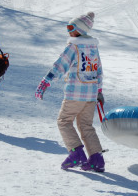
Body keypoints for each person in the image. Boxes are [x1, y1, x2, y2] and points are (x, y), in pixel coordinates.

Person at [35, 12, 106, 172]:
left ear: (80, 30)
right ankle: (96, 159)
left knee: (64, 121)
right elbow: (99, 70)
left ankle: (77, 153)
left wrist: (46, 82)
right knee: (86, 126)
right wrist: (99, 90)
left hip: (75, 94)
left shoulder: (74, 46)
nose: (68, 31)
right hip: (91, 95)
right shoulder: (93, 48)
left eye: (71, 28)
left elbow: (60, 66)